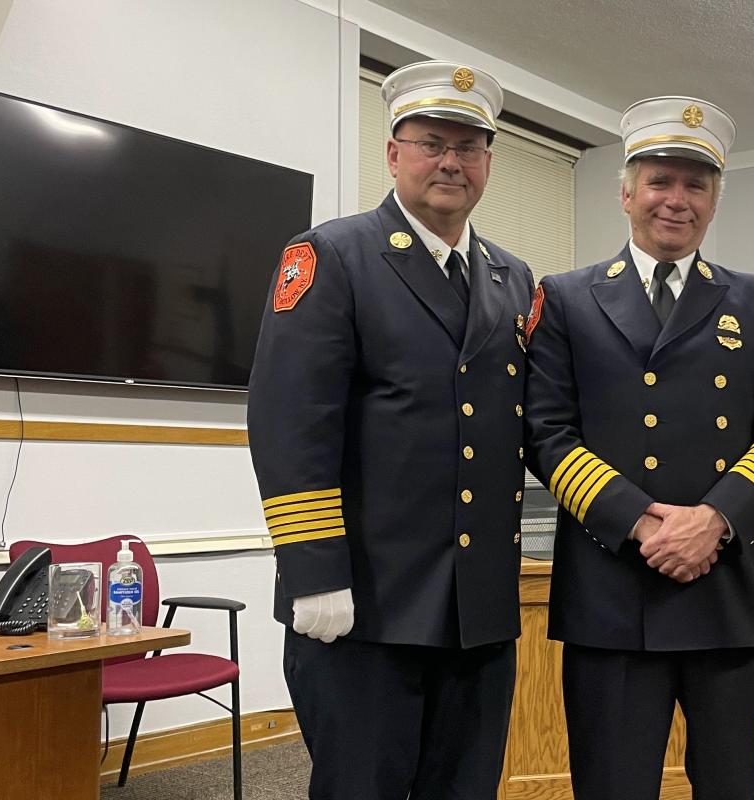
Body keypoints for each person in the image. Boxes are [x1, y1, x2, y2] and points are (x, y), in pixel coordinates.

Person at [247, 61, 534, 800]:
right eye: (431, 141)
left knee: (465, 788)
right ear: (394, 152)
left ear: (488, 163)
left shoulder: (512, 278)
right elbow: (289, 422)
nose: (450, 162)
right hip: (364, 604)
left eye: (468, 148)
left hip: (476, 609)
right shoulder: (332, 255)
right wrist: (314, 571)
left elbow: (520, 421)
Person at [523, 95, 754, 800]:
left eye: (696, 184)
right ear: (625, 192)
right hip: (612, 590)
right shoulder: (564, 298)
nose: (676, 200)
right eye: (660, 180)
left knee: (727, 786)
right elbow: (546, 432)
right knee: (613, 786)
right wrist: (645, 523)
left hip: (722, 588)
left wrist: (711, 520)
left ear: (715, 201)